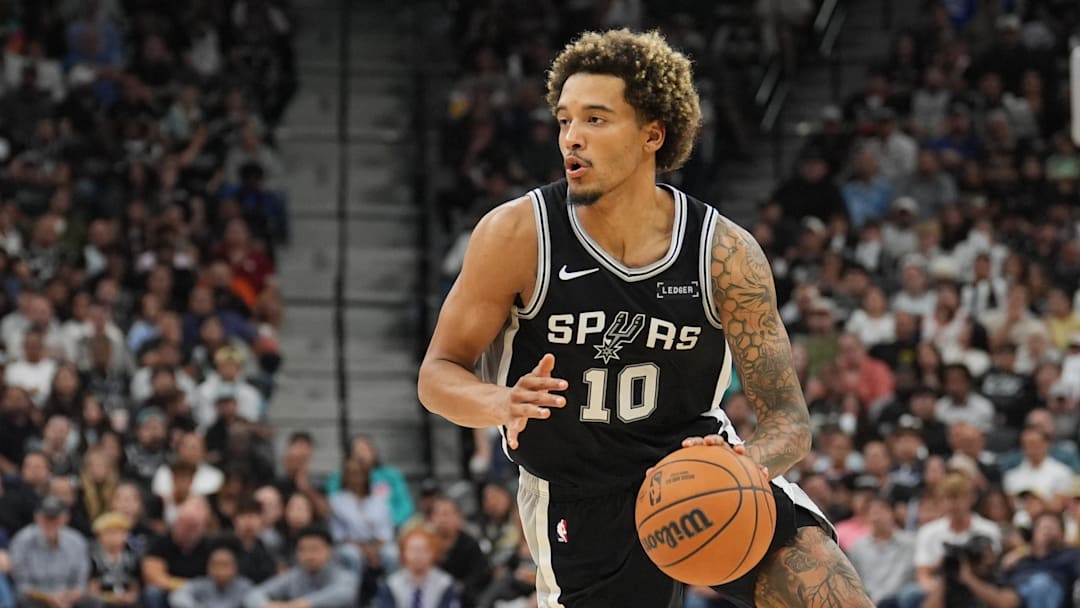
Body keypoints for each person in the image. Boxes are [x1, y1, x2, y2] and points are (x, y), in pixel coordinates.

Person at [417, 28, 872, 608]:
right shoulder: (518, 235)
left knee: (833, 593)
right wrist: (499, 402)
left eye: (596, 119)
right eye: (564, 120)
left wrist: (744, 467)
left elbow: (788, 421)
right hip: (579, 497)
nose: (571, 138)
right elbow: (437, 375)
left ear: (652, 134)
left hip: (695, 468)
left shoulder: (723, 253)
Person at [9, 496, 96, 608]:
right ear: (37, 518)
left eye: (55, 518)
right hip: (37, 596)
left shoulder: (77, 541)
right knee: (24, 602)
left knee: (92, 602)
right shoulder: (22, 540)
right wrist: (48, 597)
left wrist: (69, 596)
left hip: (67, 595)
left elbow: (80, 581)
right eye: (47, 518)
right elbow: (21, 584)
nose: (51, 522)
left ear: (65, 518)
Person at [243, 524, 357, 608]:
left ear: (329, 551)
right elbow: (254, 594)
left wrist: (302, 604)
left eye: (315, 549)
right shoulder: (294, 575)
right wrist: (266, 605)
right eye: (303, 550)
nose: (309, 555)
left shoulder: (344, 575)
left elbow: (345, 594)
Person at [376, 527, 460, 608]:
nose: (417, 555)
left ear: (433, 553)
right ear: (403, 553)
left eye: (423, 550)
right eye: (412, 550)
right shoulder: (391, 585)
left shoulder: (445, 584)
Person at [169, 542, 254, 608]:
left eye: (225, 565)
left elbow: (257, 601)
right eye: (215, 565)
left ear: (235, 567)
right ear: (208, 567)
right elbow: (177, 596)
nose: (220, 570)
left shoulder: (244, 586)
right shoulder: (200, 584)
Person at [87, 512, 140, 607]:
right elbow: (93, 588)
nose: (115, 537)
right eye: (110, 533)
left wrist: (130, 596)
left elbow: (134, 584)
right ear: (100, 537)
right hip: (104, 600)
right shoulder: (95, 560)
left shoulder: (130, 558)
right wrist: (109, 598)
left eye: (120, 533)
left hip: (126, 599)